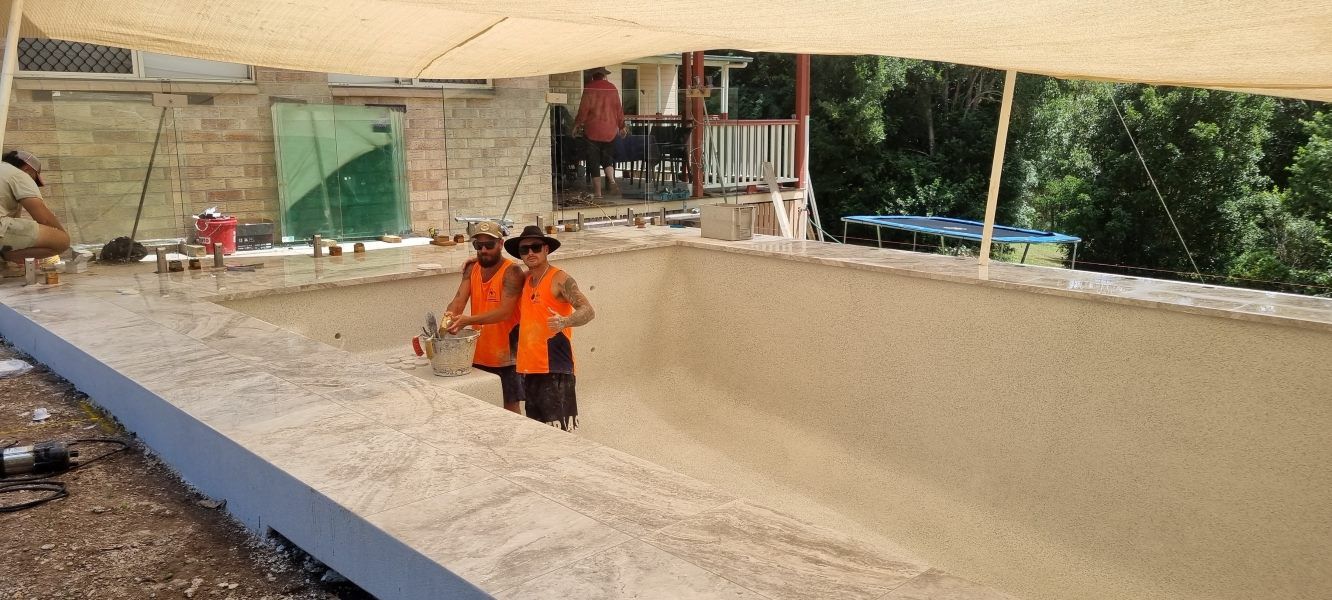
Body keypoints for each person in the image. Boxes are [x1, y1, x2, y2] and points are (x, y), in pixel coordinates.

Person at [507, 225, 595, 430]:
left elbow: (588, 311)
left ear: (546, 249)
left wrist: (564, 322)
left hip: (555, 367)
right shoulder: (526, 278)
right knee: (538, 432)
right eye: (524, 249)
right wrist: (476, 258)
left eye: (535, 247)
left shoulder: (559, 278)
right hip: (529, 368)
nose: (530, 253)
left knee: (560, 431)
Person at [443, 221, 526, 414]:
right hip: (478, 353)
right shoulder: (472, 268)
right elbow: (457, 302)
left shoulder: (512, 271)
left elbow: (504, 312)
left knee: (510, 408)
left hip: (506, 357)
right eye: (478, 246)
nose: (483, 250)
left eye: (489, 245)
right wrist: (443, 328)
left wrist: (467, 321)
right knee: (480, 407)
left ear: (500, 244)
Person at [0, 150, 69, 265]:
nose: (33, 182)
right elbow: (44, 219)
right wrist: (62, 235)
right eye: (34, 178)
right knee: (62, 241)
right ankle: (4, 256)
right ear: (27, 169)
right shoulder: (19, 174)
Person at [573, 67, 628, 199]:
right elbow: (618, 109)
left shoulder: (589, 88)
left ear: (593, 76)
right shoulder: (612, 88)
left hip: (592, 130)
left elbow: (583, 110)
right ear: (604, 76)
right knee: (607, 158)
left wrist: (577, 125)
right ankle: (612, 180)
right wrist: (622, 126)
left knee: (593, 161)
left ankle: (598, 193)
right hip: (610, 131)